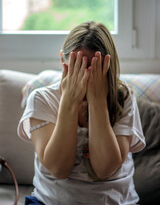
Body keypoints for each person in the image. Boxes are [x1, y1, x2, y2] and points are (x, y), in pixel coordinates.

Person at [18, 21, 145, 205]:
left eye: (92, 71)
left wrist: (98, 101)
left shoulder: (123, 97)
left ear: (107, 67)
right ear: (63, 61)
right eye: (76, 67)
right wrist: (69, 102)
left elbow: (105, 169)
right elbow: (58, 169)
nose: (84, 78)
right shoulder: (42, 99)